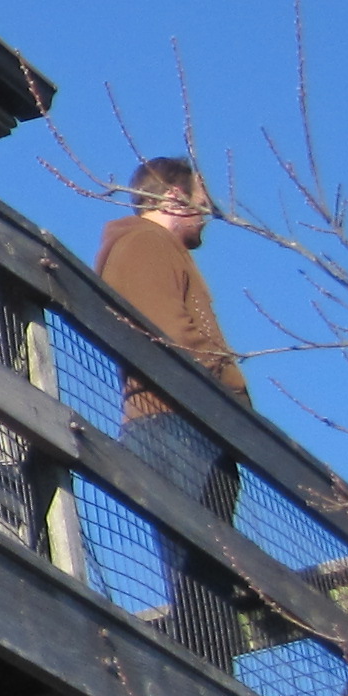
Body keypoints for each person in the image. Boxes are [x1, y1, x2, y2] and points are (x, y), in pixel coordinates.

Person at [92, 155, 246, 657]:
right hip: (173, 421)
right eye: (203, 199)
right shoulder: (143, 243)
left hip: (190, 424)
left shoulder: (158, 248)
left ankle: (217, 675)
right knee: (198, 573)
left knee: (209, 575)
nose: (208, 211)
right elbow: (169, 333)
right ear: (176, 197)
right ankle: (214, 684)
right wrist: (232, 394)